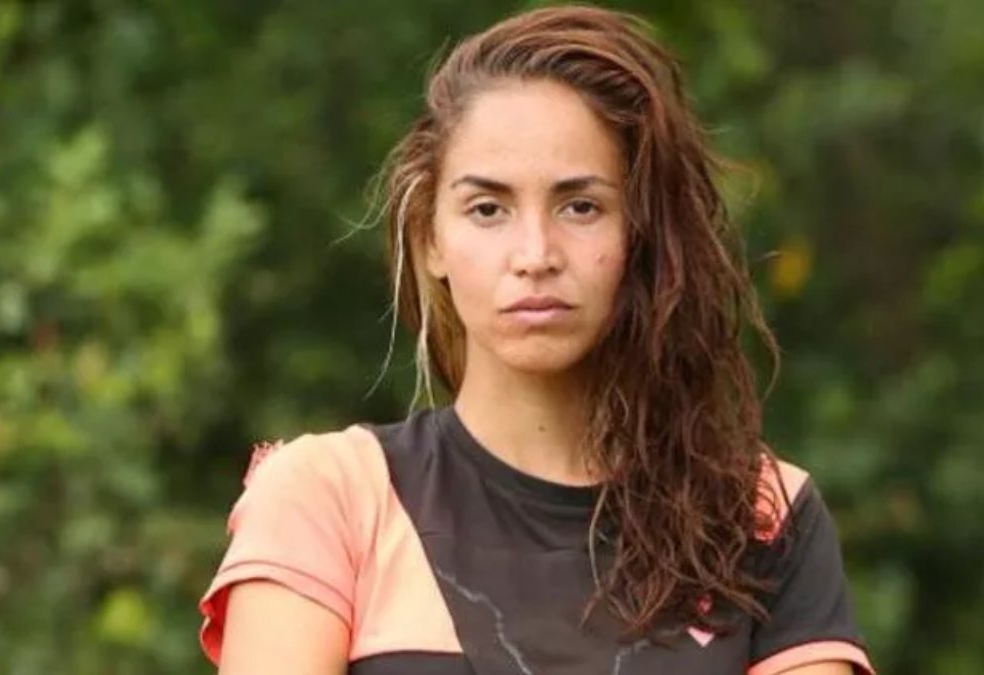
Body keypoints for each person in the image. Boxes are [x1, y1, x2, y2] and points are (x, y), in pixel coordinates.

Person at [198, 5, 874, 674]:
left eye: (580, 206)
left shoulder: (758, 514)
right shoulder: (330, 496)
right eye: (487, 209)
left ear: (639, 233)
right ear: (431, 239)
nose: (535, 254)